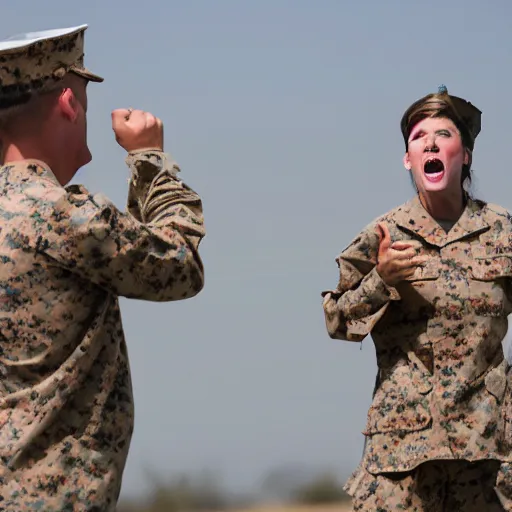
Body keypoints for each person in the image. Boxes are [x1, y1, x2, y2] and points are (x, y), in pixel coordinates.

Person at [0, 25, 205, 510]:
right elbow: (180, 264)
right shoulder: (59, 213)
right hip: (49, 495)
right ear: (69, 102)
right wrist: (148, 157)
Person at [321, 85, 512, 511]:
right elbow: (335, 321)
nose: (430, 142)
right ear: (408, 159)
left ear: (465, 155)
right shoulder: (384, 234)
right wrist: (380, 280)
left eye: (444, 134)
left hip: (485, 452)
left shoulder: (502, 230)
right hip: (401, 456)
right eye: (418, 136)